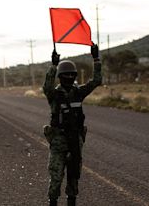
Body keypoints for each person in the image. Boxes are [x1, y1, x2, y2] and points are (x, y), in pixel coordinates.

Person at [43, 44, 102, 206]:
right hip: (58, 142)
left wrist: (96, 59)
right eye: (66, 74)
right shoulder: (54, 95)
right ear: (60, 76)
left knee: (73, 178)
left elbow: (97, 81)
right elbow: (46, 87)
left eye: (72, 74)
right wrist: (53, 66)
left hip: (75, 141)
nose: (69, 77)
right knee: (55, 178)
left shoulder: (78, 92)